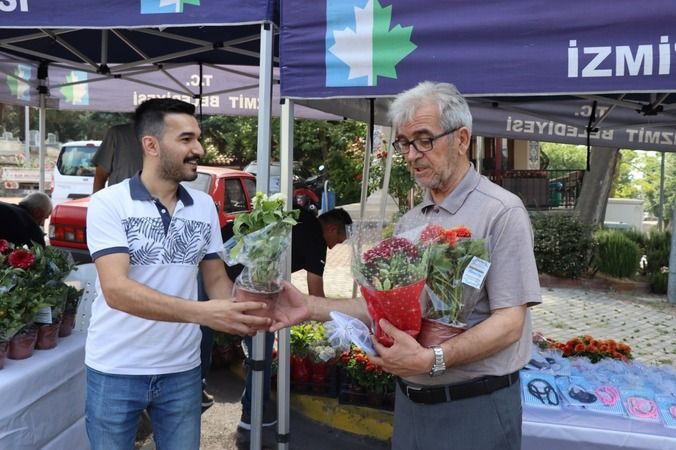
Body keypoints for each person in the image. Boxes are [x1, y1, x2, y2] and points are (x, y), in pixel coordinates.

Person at [273, 81, 542, 450]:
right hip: (411, 405)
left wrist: (432, 359)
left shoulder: (501, 212)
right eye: (404, 143)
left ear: (461, 139)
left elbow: (510, 324)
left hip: (475, 408)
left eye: (424, 139)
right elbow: (384, 308)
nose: (413, 154)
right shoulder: (411, 222)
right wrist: (310, 307)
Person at [84, 98, 273, 450]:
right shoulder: (108, 203)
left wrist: (252, 308)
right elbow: (117, 290)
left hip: (182, 371)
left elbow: (216, 281)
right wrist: (204, 313)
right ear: (151, 145)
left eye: (198, 138)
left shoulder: (203, 206)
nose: (198, 149)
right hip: (116, 369)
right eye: (186, 139)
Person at [213, 207, 352, 433]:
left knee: (203, 331)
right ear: (332, 228)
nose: (334, 246)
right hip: (243, 281)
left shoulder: (299, 214)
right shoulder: (316, 238)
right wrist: (339, 325)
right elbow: (316, 295)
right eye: (338, 240)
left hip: (215, 259)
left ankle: (198, 393)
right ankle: (253, 414)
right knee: (261, 345)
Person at [92, 122, 143, 192]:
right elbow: (100, 175)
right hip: (120, 199)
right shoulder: (117, 134)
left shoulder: (161, 134)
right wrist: (97, 201)